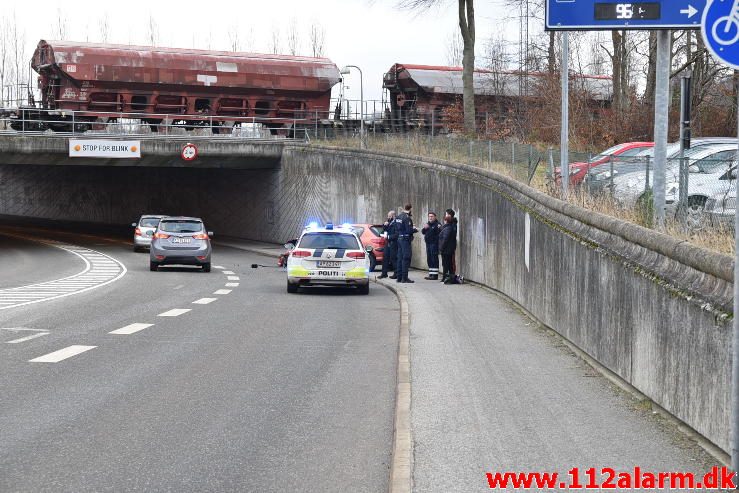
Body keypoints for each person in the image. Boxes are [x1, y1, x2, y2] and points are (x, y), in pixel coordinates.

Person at [395, 203, 418, 283]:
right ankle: (404, 278)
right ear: (410, 209)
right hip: (405, 240)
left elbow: (397, 228)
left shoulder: (398, 216)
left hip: (400, 238)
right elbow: (409, 230)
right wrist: (415, 229)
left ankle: (399, 277)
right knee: (406, 258)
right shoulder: (407, 218)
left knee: (400, 258)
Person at [439, 208, 458, 284]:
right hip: (449, 248)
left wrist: (441, 248)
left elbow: (446, 238)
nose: (445, 215)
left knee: (447, 263)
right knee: (448, 263)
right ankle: (449, 278)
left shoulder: (450, 226)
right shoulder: (450, 226)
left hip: (447, 248)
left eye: (446, 214)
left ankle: (446, 278)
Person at [421, 212, 441, 280]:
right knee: (429, 259)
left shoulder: (437, 224)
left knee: (434, 259)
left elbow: (440, 234)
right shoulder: (428, 224)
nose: (430, 218)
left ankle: (435, 275)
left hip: (434, 244)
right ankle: (431, 274)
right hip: (428, 244)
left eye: (432, 216)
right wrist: (424, 228)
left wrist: (435, 241)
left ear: (435, 217)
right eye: (429, 216)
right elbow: (423, 232)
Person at [379, 210, 397, 279]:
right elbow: (384, 231)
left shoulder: (396, 223)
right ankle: (384, 273)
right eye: (388, 216)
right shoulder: (389, 223)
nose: (388, 217)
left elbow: (397, 234)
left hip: (393, 243)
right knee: (385, 258)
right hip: (387, 243)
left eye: (389, 216)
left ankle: (396, 273)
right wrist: (384, 225)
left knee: (393, 259)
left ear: (393, 216)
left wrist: (389, 237)